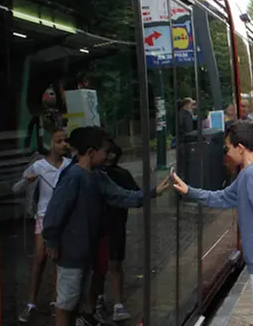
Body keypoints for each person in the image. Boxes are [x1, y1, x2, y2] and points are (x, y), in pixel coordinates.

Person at [42, 126, 170, 326]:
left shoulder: (97, 175)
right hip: (73, 252)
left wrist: (153, 192)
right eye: (104, 151)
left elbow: (122, 195)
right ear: (91, 152)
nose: (108, 155)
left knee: (73, 300)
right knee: (65, 304)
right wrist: (52, 239)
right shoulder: (74, 176)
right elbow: (55, 212)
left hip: (84, 250)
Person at [172, 120, 253, 326]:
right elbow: (223, 197)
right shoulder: (249, 172)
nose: (226, 152)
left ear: (241, 148)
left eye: (228, 147)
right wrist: (189, 191)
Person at [13, 128, 72, 323]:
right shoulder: (38, 166)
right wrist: (27, 180)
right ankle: (31, 303)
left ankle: (58, 302)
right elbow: (17, 188)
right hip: (44, 216)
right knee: (40, 258)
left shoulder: (69, 166)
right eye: (59, 141)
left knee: (58, 260)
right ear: (50, 144)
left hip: (63, 217)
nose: (64, 144)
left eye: (65, 140)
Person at [93, 139, 141, 322]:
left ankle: (117, 303)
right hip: (98, 226)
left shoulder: (121, 174)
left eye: (113, 152)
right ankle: (98, 298)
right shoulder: (93, 174)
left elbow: (135, 195)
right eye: (108, 152)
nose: (110, 156)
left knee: (114, 263)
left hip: (116, 225)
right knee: (98, 267)